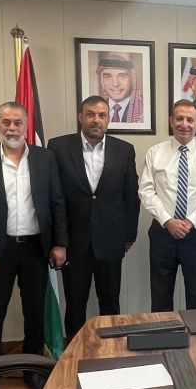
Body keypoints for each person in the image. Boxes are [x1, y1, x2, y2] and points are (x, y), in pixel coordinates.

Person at [0, 102, 68, 389]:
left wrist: (60, 243)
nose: (12, 128)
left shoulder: (44, 158)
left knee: (35, 313)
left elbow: (57, 202)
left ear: (26, 125)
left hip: (36, 248)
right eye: (6, 122)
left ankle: (32, 370)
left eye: (17, 122)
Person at [48, 96, 140, 341]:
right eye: (90, 114)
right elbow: (55, 198)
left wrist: (129, 235)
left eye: (101, 115)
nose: (96, 120)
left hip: (111, 241)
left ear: (108, 119)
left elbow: (131, 195)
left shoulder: (124, 150)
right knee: (74, 306)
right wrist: (59, 241)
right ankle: (74, 355)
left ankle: (111, 352)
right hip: (74, 242)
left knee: (110, 304)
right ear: (81, 117)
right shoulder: (58, 147)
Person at [139, 100, 196, 311]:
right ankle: (162, 332)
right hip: (162, 233)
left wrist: (190, 221)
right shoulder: (155, 153)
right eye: (179, 118)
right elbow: (146, 190)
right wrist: (168, 220)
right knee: (160, 296)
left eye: (190, 120)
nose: (184, 124)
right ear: (171, 121)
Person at [96, 55, 143, 123]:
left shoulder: (143, 110)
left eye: (122, 76)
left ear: (131, 80)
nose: (115, 84)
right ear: (102, 81)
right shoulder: (96, 109)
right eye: (108, 77)